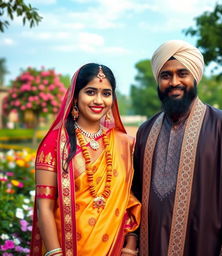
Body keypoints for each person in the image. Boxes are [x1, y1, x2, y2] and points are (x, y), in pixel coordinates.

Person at [132, 40, 222, 256]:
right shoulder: (145, 131)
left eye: (182, 73)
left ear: (195, 77)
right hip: (150, 247)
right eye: (165, 75)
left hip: (205, 246)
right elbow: (135, 193)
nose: (174, 82)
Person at [30, 63, 141, 256]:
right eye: (90, 92)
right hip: (66, 249)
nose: (99, 100)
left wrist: (130, 245)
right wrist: (55, 253)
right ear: (75, 96)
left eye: (106, 93)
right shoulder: (54, 143)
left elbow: (129, 201)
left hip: (114, 249)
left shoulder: (124, 143)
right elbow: (44, 206)